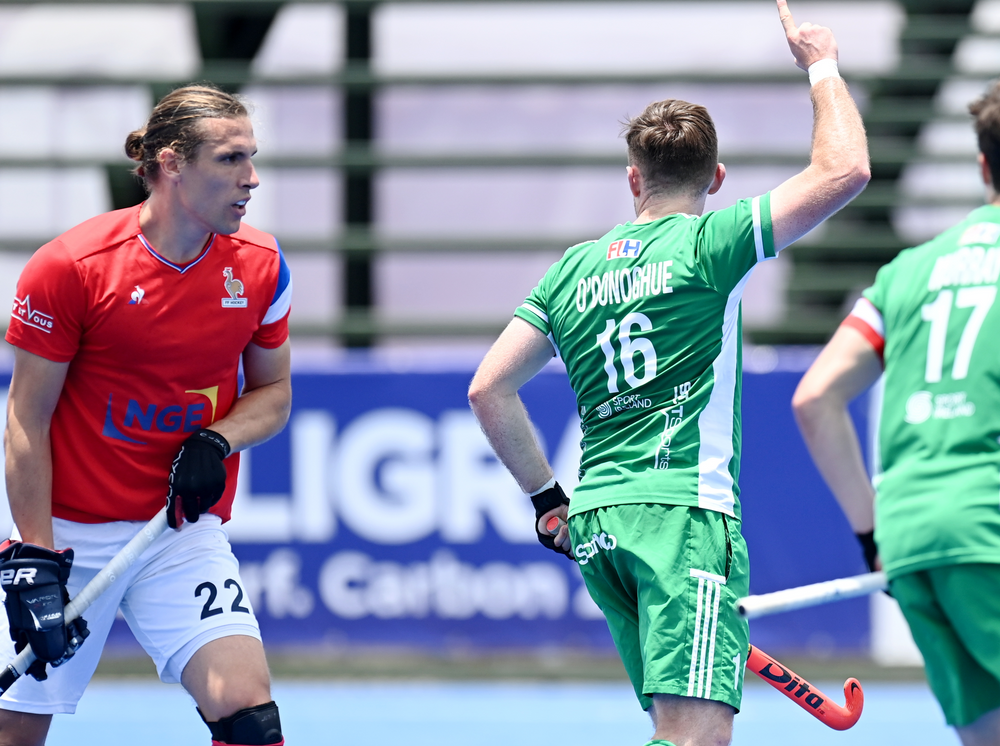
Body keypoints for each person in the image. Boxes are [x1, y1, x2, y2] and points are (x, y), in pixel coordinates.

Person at [467, 3, 869, 745]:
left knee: (675, 730)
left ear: (634, 180)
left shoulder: (571, 270)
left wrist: (549, 501)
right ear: (716, 177)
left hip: (600, 525)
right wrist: (822, 64)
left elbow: (488, 389)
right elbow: (844, 171)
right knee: (695, 736)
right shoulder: (711, 244)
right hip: (682, 519)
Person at [2, 84, 291, 746]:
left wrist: (216, 441)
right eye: (230, 159)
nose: (251, 178)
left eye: (252, 156)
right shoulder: (70, 267)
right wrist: (35, 556)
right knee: (15, 732)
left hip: (176, 531)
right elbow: (25, 421)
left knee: (248, 713)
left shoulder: (262, 265)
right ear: (171, 163)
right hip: (66, 531)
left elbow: (273, 392)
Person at [792, 79, 1000, 746]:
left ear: (984, 165)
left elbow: (815, 397)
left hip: (911, 538)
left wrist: (873, 535)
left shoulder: (907, 272)